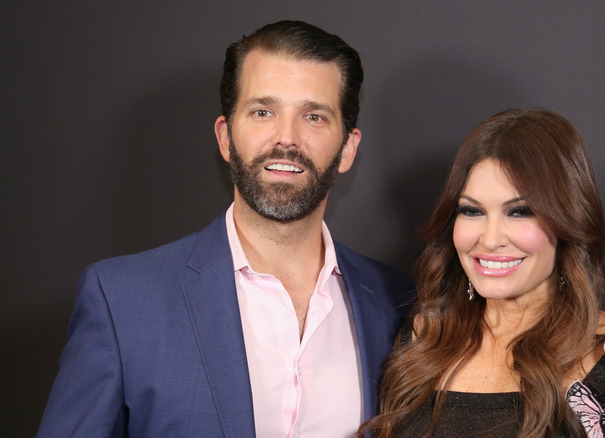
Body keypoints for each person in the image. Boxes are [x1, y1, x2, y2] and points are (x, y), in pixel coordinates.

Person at [37, 20, 414, 438]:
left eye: (313, 116)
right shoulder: (121, 302)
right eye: (262, 112)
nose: (286, 139)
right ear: (225, 137)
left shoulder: (398, 305)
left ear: (348, 149)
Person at [359, 109, 605, 437]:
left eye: (520, 212)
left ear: (568, 220)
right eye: (471, 211)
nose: (489, 239)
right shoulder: (423, 338)